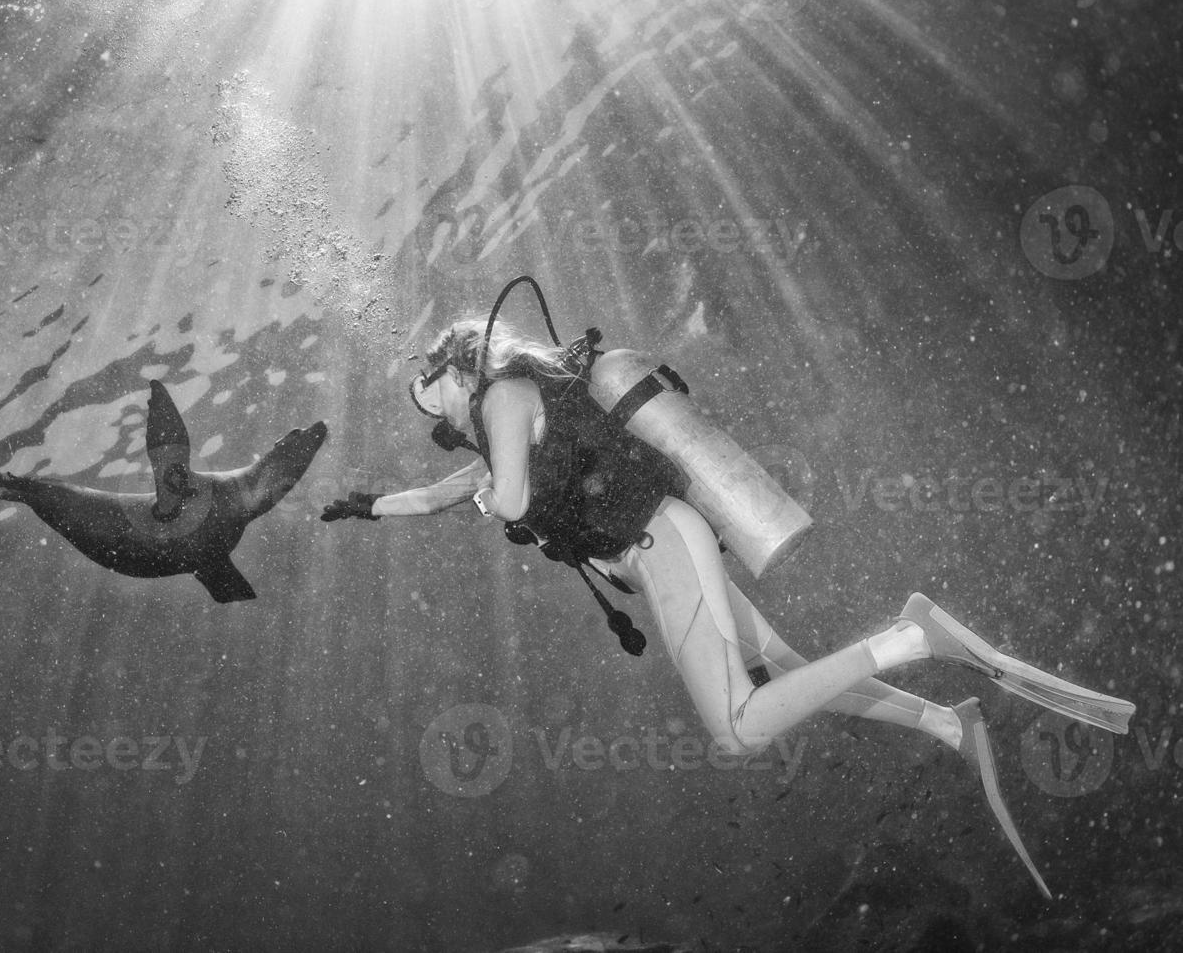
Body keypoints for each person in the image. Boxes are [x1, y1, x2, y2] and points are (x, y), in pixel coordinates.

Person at [323, 316, 1134, 898]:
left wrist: (486, 501)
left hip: (658, 547)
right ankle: (947, 723)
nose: (429, 410)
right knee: (782, 666)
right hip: (663, 548)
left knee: (740, 728)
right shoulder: (507, 418)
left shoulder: (503, 398)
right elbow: (443, 493)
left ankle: (910, 636)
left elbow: (499, 496)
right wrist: (365, 507)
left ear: (456, 370)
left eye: (426, 393)